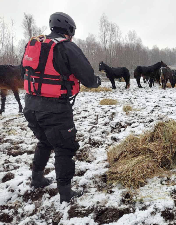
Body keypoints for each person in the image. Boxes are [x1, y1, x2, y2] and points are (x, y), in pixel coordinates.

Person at [22, 12, 101, 203]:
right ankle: (66, 194)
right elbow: (89, 79)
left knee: (45, 141)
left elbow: (24, 70)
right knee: (64, 147)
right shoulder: (66, 47)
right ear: (69, 30)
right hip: (55, 109)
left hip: (31, 107)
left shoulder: (34, 45)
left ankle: (37, 178)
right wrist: (96, 81)